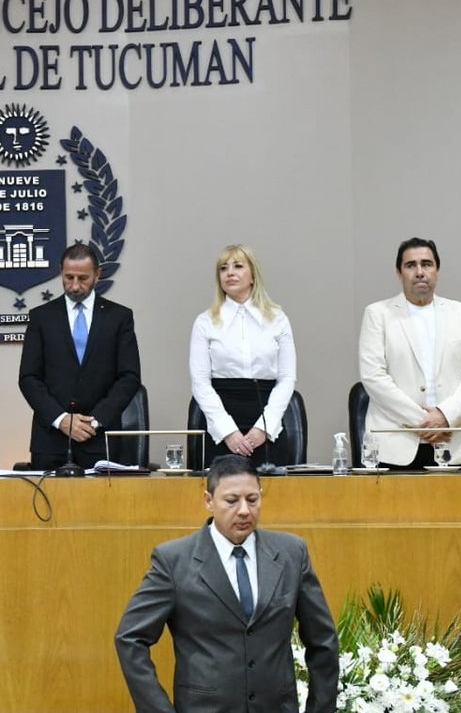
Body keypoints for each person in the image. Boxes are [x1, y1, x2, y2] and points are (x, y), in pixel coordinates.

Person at [115, 454, 339, 712]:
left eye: (252, 499)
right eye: (232, 501)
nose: (244, 510)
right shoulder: (174, 561)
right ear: (208, 501)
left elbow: (322, 641)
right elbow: (130, 638)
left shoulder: (291, 553)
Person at [358, 237, 461, 469]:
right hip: (396, 445)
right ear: (399, 273)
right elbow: (373, 377)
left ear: (437, 270)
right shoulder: (378, 314)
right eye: (411, 265)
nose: (419, 272)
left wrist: (445, 417)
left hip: (452, 441)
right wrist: (424, 423)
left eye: (427, 264)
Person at [18, 243, 141, 470]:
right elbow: (28, 378)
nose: (75, 286)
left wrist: (94, 421)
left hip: (100, 439)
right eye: (69, 277)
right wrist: (61, 419)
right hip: (50, 440)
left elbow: (129, 377)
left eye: (83, 278)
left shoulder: (119, 317)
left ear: (97, 275)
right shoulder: (41, 317)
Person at [189, 244, 296, 468]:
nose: (230, 273)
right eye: (223, 268)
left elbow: (287, 378)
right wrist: (227, 431)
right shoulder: (205, 322)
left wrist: (264, 427)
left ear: (253, 276)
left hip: (266, 417)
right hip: (222, 417)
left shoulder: (277, 318)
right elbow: (200, 382)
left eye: (238, 266)